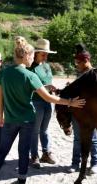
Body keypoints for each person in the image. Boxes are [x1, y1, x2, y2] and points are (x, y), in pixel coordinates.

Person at [0, 42, 85, 184]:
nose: (32, 59)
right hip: (28, 120)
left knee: (2, 149)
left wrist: (1, 116)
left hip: (10, 119)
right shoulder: (31, 76)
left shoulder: (3, 73)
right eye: (31, 56)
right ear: (25, 56)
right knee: (23, 151)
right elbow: (49, 98)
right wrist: (70, 102)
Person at [67, 44, 97, 174]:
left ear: (86, 61)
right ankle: (75, 163)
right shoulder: (80, 75)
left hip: (91, 113)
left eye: (78, 62)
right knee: (77, 138)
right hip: (77, 112)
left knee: (93, 138)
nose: (76, 65)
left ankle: (95, 163)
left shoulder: (95, 75)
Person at [29, 39, 57, 169]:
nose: (46, 56)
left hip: (48, 101)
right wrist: (45, 87)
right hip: (36, 101)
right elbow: (29, 85)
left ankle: (46, 153)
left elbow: (48, 80)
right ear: (36, 53)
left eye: (47, 54)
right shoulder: (30, 67)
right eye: (43, 54)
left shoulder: (46, 66)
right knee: (35, 130)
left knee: (44, 129)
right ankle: (34, 156)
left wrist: (51, 89)